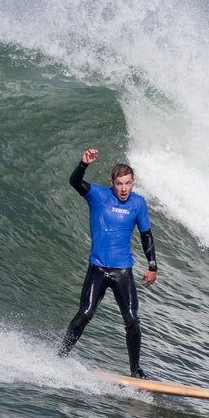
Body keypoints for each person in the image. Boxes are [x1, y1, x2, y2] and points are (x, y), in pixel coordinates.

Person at [58, 148, 158, 378]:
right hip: (99, 268)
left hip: (123, 271)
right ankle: (61, 357)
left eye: (128, 183)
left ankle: (135, 370)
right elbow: (75, 182)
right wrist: (83, 164)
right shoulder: (99, 196)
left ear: (133, 183)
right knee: (85, 313)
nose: (124, 189)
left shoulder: (138, 204)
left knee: (132, 320)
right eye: (119, 184)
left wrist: (152, 266)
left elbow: (146, 235)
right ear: (111, 182)